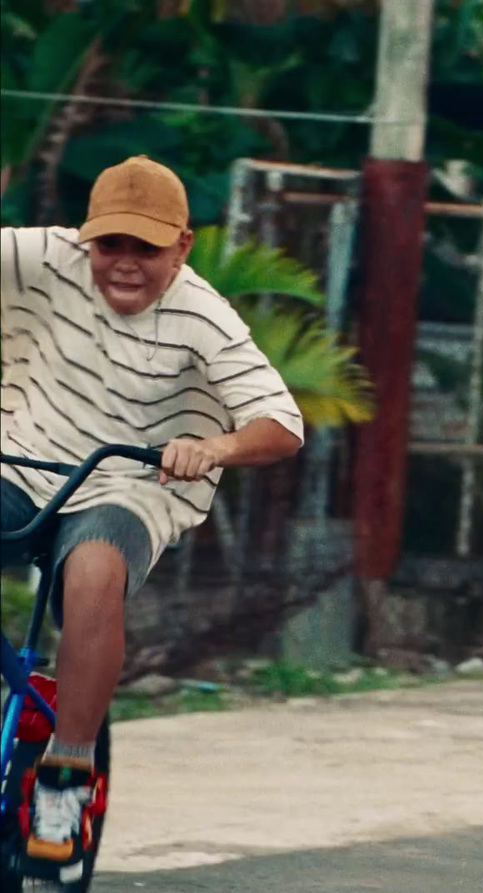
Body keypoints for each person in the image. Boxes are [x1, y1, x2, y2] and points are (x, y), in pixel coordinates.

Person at [1, 155, 305, 882]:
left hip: (128, 483)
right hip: (21, 461)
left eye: (147, 248)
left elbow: (283, 423)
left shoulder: (204, 316)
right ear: (86, 239)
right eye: (111, 245)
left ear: (183, 247)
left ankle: (65, 780)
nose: (126, 264)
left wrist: (216, 445)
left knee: (96, 571)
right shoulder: (41, 256)